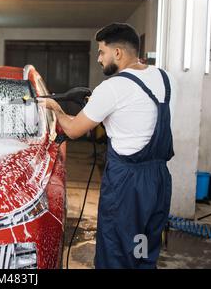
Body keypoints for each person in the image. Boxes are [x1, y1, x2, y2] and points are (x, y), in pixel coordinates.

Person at [39, 23, 175, 269]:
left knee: (116, 250)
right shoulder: (165, 78)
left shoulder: (112, 88)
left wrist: (56, 109)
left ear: (118, 53)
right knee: (144, 248)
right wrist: (99, 105)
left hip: (127, 184)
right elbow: (137, 111)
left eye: (102, 52)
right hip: (158, 180)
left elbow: (73, 130)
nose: (99, 59)